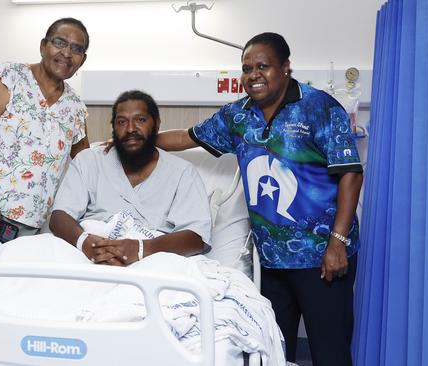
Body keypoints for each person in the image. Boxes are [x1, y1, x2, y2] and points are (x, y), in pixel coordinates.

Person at [155, 33, 363, 365]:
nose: (254, 75)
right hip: (270, 262)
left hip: (322, 257)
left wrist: (337, 242)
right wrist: (134, 137)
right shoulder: (236, 116)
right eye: (247, 68)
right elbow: (186, 136)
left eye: (263, 66)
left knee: (330, 352)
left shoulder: (318, 106)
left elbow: (350, 172)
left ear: (285, 67)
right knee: (274, 352)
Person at [0, 17, 90, 263]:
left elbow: (86, 165)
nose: (66, 53)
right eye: (60, 43)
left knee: (9, 295)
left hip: (28, 224)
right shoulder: (9, 77)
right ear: (43, 46)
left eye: (76, 49)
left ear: (82, 60)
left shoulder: (75, 108)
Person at [50, 90, 211, 265]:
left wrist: (141, 249)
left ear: (156, 124)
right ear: (113, 127)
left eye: (140, 120)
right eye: (121, 122)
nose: (131, 129)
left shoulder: (182, 173)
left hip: (153, 258)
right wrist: (86, 243)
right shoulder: (89, 161)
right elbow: (59, 216)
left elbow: (196, 238)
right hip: (89, 253)